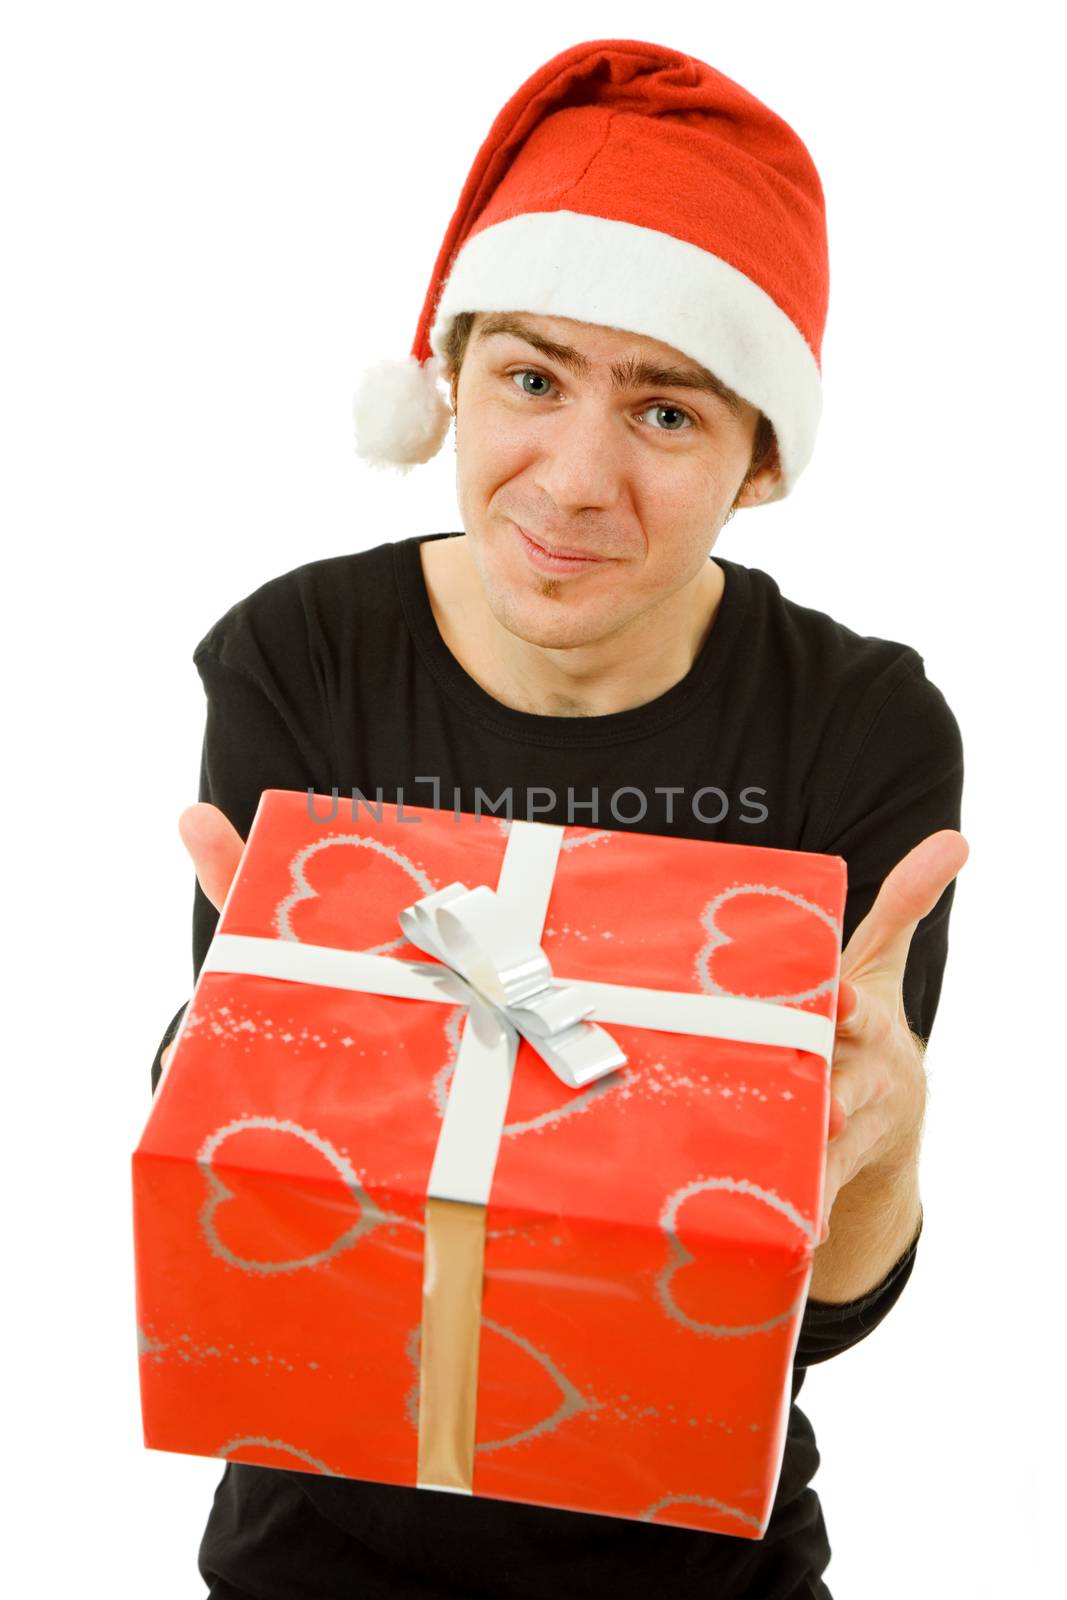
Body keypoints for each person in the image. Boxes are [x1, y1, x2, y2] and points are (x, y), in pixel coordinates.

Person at [149, 38, 967, 1600]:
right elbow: (268, 1222)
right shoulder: (302, 655)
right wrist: (222, 1059)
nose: (574, 481)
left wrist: (884, 1139)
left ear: (761, 463)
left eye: (668, 415)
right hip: (315, 1547)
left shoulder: (861, 728)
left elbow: (826, 1315)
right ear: (448, 378)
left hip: (703, 1556)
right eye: (531, 378)